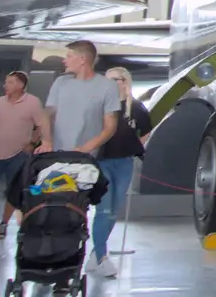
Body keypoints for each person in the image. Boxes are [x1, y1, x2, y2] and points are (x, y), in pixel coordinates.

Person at [40, 41, 120, 277]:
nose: (64, 60)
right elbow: (48, 114)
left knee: (78, 210)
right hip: (56, 159)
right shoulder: (60, 83)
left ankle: (76, 260)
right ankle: (48, 258)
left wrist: (87, 148)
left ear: (82, 59)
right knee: (51, 208)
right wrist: (46, 140)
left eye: (69, 56)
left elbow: (110, 126)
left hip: (86, 162)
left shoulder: (107, 87)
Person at [0, 71, 51, 241]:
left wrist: (32, 142)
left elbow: (40, 125)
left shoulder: (32, 103)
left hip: (18, 154)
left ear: (21, 85)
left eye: (10, 82)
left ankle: (4, 224)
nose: (5, 85)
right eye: (6, 82)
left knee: (12, 191)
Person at [91, 67, 152, 275]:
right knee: (104, 209)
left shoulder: (135, 107)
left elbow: (146, 129)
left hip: (124, 162)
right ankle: (102, 255)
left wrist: (134, 146)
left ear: (124, 81)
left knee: (113, 212)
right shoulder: (99, 106)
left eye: (115, 80)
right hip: (101, 162)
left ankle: (97, 250)